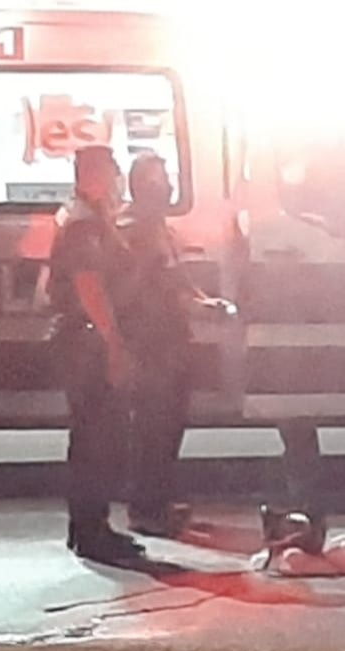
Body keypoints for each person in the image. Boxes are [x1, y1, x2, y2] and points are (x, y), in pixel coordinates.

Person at [117, 152, 233, 538]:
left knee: (168, 426)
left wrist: (203, 302)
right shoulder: (132, 230)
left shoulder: (158, 228)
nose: (166, 186)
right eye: (158, 179)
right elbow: (154, 288)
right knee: (152, 428)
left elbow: (177, 278)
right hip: (149, 342)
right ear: (140, 186)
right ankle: (146, 509)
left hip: (170, 338)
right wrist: (194, 305)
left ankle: (159, 502)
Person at [47, 146, 143, 562]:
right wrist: (114, 343)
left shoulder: (84, 216)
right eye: (112, 171)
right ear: (94, 174)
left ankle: (89, 528)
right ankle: (92, 532)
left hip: (82, 338)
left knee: (92, 438)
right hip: (88, 342)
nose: (117, 178)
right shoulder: (84, 224)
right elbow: (89, 286)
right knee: (96, 440)